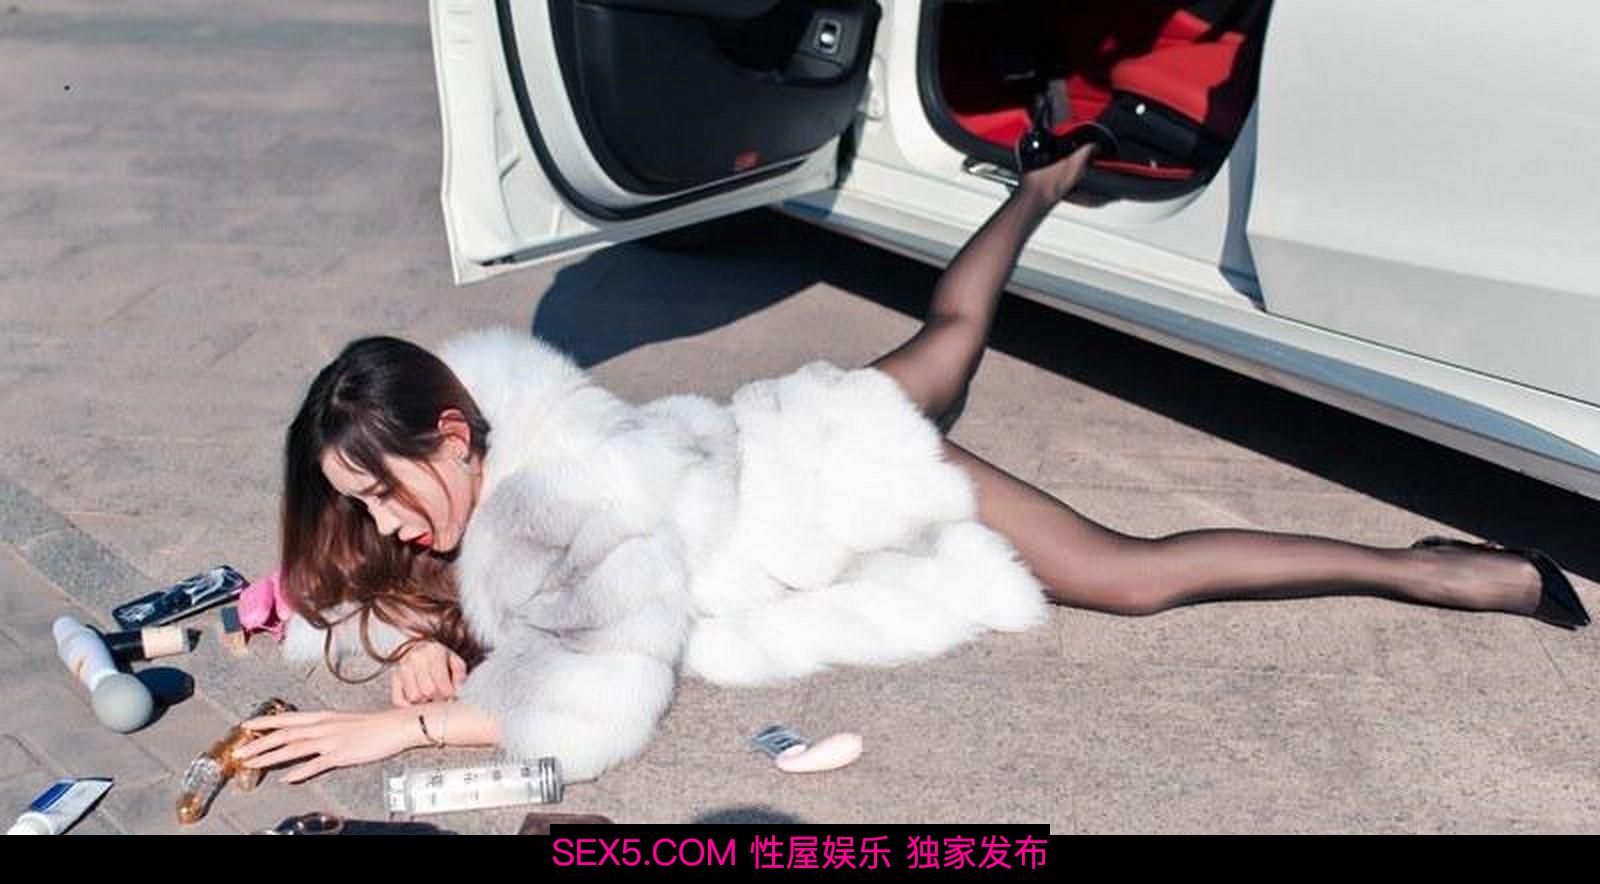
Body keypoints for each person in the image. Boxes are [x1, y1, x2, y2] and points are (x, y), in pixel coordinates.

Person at [235, 143, 1588, 786]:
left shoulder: (564, 495)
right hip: (781, 431)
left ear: (456, 433)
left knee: (1132, 578)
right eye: (362, 506)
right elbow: (456, 597)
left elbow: (596, 690)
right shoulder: (497, 480)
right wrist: (426, 642)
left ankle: (1433, 572)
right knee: (947, 335)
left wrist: (404, 724)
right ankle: (1039, 181)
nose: (388, 527)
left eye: (386, 492)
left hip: (847, 467)